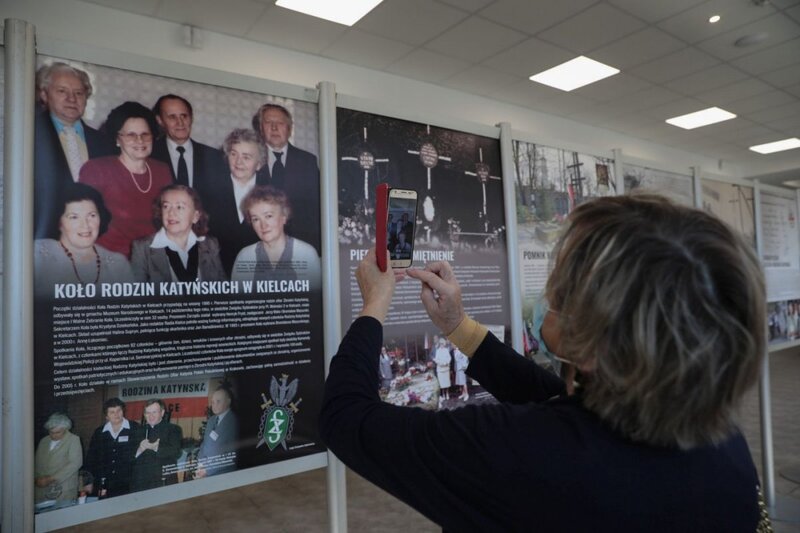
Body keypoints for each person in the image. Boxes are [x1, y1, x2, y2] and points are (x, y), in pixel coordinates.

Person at [320, 194, 769, 531]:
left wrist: (375, 304)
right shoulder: (723, 442)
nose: (549, 295)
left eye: (564, 289)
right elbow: (563, 400)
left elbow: (345, 418)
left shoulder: (518, 453)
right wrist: (460, 327)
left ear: (596, 344)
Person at [79, 101, 173, 258]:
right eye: (131, 135)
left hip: (153, 260)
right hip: (109, 262)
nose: (140, 140)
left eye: (145, 134)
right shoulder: (97, 169)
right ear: (117, 139)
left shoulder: (162, 171)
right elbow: (82, 222)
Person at [34, 62, 114, 240]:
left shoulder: (104, 142)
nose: (72, 99)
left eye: (78, 93)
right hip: (45, 241)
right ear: (44, 95)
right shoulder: (30, 136)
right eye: (62, 91)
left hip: (97, 241)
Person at [34, 183, 133, 297]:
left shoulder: (118, 264)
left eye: (91, 215)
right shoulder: (37, 253)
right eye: (74, 217)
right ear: (59, 222)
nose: (85, 225)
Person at [252, 103, 320, 254]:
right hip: (259, 246)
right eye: (269, 122)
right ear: (260, 128)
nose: (274, 128)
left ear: (289, 129)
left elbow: (315, 209)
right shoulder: (249, 159)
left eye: (280, 123)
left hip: (302, 245)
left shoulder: (307, 161)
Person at [204, 128, 268, 276]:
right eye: (234, 154)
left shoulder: (273, 193)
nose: (238, 162)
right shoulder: (209, 190)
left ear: (259, 164)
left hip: (261, 273)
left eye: (246, 157)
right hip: (219, 272)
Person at [130, 184, 226, 282]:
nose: (171, 213)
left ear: (195, 216)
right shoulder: (142, 249)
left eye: (179, 207)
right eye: (166, 206)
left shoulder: (210, 245)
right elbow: (138, 294)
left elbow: (223, 290)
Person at [231, 185, 321, 285]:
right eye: (256, 219)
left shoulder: (306, 254)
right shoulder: (244, 257)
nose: (263, 225)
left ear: (284, 217)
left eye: (268, 216)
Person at [150, 94, 225, 197]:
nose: (180, 123)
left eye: (184, 116)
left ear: (191, 118)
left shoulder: (214, 157)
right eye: (172, 117)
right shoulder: (150, 154)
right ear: (160, 120)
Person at [83, 398, 140, 498]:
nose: (116, 414)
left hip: (128, 483)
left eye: (119, 410)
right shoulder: (99, 432)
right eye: (112, 412)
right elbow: (91, 459)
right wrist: (88, 482)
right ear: (106, 416)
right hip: (103, 483)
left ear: (123, 411)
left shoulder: (135, 428)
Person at [130, 399, 183, 492]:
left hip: (163, 482)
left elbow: (177, 452)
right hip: (141, 483)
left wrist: (156, 448)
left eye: (154, 412)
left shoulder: (173, 429)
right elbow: (129, 457)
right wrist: (139, 449)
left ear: (162, 413)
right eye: (148, 413)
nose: (151, 416)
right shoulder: (137, 431)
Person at [34, 413, 83, 504]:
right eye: (51, 432)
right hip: (41, 490)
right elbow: (35, 463)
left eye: (58, 432)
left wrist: (51, 478)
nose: (53, 435)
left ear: (65, 429)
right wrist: (35, 479)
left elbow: (75, 463)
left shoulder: (73, 440)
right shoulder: (43, 441)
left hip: (63, 489)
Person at [195, 387, 239, 478]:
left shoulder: (235, 422)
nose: (214, 405)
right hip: (206, 473)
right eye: (212, 402)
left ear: (228, 402)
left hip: (224, 476)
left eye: (218, 401)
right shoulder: (211, 420)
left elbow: (232, 455)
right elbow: (204, 444)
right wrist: (200, 465)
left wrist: (207, 470)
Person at [432, 337, 452, 408]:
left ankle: (447, 393)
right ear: (439, 344)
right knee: (442, 383)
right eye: (440, 344)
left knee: (447, 382)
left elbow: (449, 358)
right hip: (440, 369)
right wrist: (440, 363)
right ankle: (443, 394)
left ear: (444, 344)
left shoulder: (446, 350)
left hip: (446, 369)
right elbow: (436, 359)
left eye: (442, 344)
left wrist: (446, 362)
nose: (441, 345)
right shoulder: (437, 351)